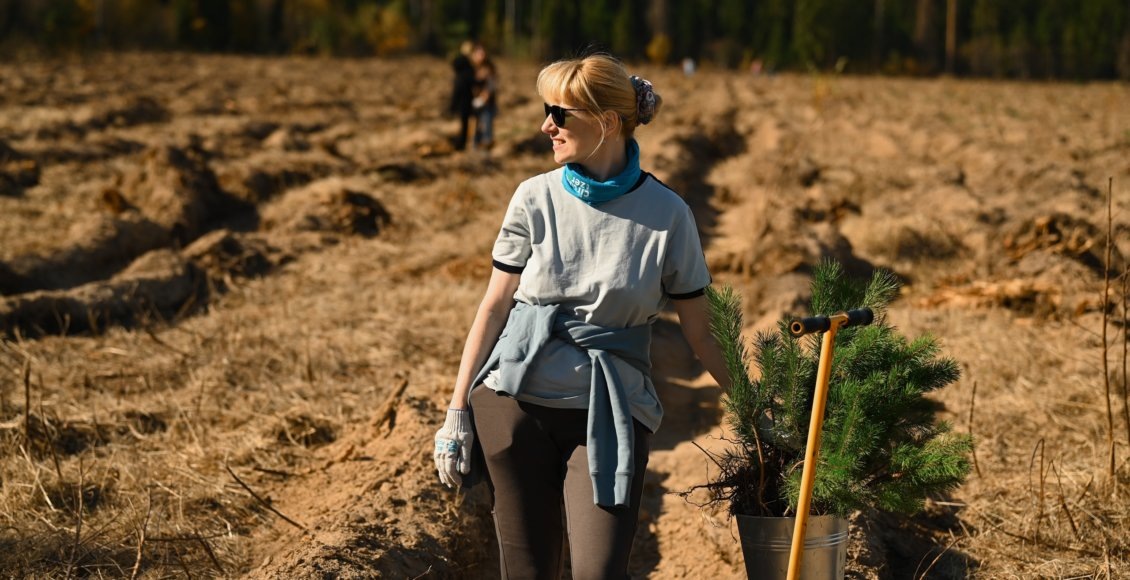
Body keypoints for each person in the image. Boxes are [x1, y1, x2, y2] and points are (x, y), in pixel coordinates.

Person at [433, 53, 731, 579]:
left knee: (599, 571)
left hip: (612, 414)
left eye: (560, 113)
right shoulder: (534, 197)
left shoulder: (668, 215)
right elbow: (495, 304)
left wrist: (755, 407)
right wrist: (457, 411)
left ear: (607, 122)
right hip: (514, 406)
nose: (546, 125)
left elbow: (702, 334)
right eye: (547, 110)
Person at [470, 44, 498, 151]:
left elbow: (492, 85)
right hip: (473, 102)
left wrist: (484, 97)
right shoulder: (472, 68)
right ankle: (475, 146)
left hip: (487, 103)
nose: (481, 56)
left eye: (483, 54)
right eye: (479, 54)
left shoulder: (489, 68)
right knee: (474, 126)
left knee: (487, 124)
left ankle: (487, 148)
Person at [449, 40, 477, 151]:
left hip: (459, 96)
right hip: (466, 98)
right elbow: (472, 81)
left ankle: (462, 143)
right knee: (466, 123)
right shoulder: (468, 66)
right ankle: (462, 143)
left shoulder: (459, 66)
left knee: (463, 122)